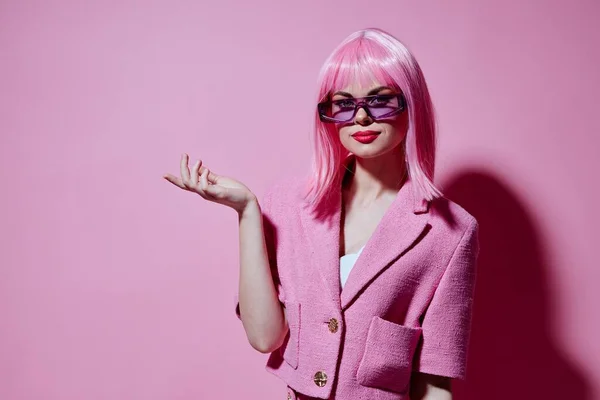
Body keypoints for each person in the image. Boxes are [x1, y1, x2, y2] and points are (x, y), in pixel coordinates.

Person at [164, 28, 479, 400]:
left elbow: (435, 385)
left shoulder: (450, 232)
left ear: (412, 106)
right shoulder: (287, 203)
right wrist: (247, 211)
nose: (360, 118)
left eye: (379, 101)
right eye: (344, 104)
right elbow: (265, 337)